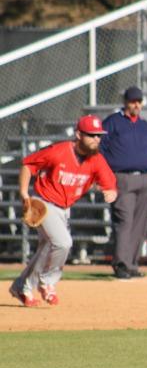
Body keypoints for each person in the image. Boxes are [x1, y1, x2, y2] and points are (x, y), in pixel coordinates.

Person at [8, 115, 118, 307]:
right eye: (91, 135)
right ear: (78, 134)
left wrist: (111, 192)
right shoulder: (58, 152)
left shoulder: (96, 160)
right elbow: (28, 164)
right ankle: (47, 282)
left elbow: (109, 183)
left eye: (99, 135)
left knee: (46, 247)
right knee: (63, 243)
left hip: (65, 210)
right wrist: (25, 194)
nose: (96, 139)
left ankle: (21, 286)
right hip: (44, 204)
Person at [100, 86, 147, 279]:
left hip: (146, 179)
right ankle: (121, 264)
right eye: (132, 101)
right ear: (125, 102)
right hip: (122, 179)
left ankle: (132, 264)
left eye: (139, 101)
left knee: (140, 224)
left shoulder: (146, 127)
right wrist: (102, 177)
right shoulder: (113, 123)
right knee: (124, 221)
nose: (136, 105)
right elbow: (99, 150)